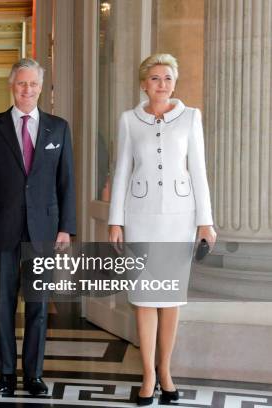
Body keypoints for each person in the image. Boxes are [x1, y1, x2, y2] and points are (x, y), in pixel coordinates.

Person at [107, 53, 216, 406]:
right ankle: (148, 375)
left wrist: (206, 221)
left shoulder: (190, 118)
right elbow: (121, 171)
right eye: (155, 78)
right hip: (139, 217)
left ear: (174, 81)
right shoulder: (129, 120)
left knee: (170, 300)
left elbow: (198, 170)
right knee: (143, 300)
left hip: (180, 219)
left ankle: (166, 371)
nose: (162, 84)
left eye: (167, 77)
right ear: (144, 84)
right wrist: (116, 220)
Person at [0, 58, 76, 396]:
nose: (27, 89)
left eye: (32, 84)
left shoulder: (58, 128)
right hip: (1, 227)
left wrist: (66, 227)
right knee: (2, 304)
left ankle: (33, 375)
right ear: (11, 86)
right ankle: (4, 374)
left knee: (38, 305)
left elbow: (66, 181)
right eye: (21, 84)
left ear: (41, 87)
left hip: (44, 229)